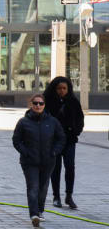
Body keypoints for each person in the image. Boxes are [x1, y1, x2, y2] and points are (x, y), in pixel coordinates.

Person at [12, 94, 65, 227]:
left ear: (44, 105)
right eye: (35, 103)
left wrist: (54, 152)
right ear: (31, 104)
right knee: (33, 187)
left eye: (41, 103)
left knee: (43, 187)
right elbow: (16, 140)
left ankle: (40, 211)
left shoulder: (52, 122)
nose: (38, 106)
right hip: (29, 162)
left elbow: (61, 138)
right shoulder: (23, 122)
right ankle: (34, 214)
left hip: (48, 161)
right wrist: (26, 153)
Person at [44, 76, 84, 209]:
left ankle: (69, 195)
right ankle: (56, 196)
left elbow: (80, 118)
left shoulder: (73, 101)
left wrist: (76, 131)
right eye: (59, 88)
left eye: (64, 88)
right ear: (54, 89)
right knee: (56, 168)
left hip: (69, 140)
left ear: (68, 89)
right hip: (54, 141)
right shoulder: (48, 102)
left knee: (70, 167)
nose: (61, 91)